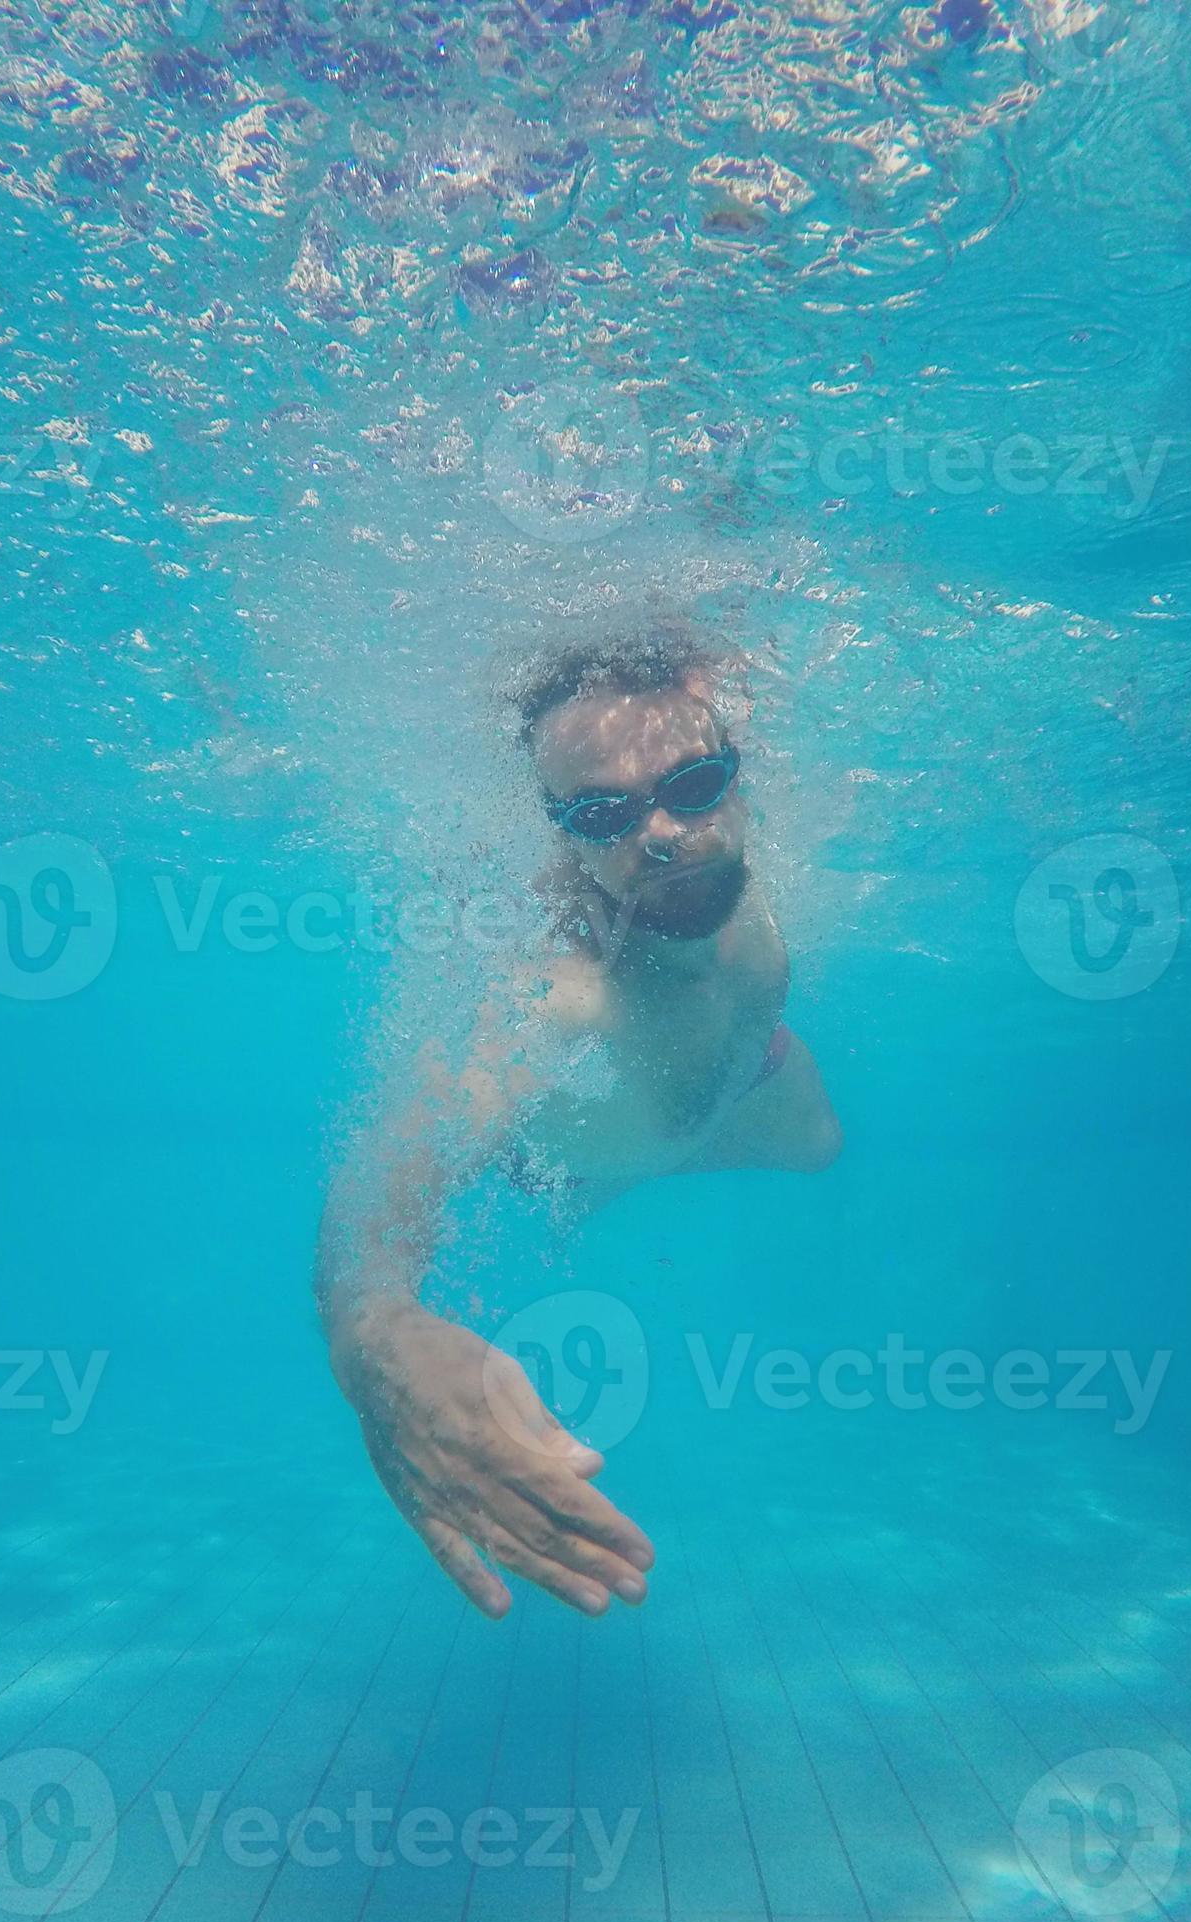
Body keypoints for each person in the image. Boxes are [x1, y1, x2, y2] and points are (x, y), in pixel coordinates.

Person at [312, 627, 844, 1618]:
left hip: (741, 1082)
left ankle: (668, 1143)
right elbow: (398, 1153)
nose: (661, 834)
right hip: (587, 1149)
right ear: (566, 839)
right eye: (603, 812)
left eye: (692, 785)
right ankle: (603, 1177)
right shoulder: (559, 1004)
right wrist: (371, 1325)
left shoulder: (742, 869)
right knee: (594, 1182)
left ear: (738, 772)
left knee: (822, 1145)